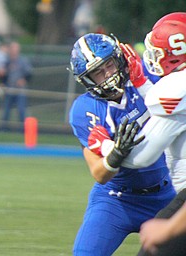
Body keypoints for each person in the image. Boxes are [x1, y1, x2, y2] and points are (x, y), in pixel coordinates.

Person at [68, 33, 176, 256]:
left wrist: (143, 84)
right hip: (117, 198)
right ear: (87, 80)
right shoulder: (86, 109)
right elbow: (99, 173)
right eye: (98, 72)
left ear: (119, 59)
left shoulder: (146, 77)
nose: (108, 74)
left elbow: (173, 111)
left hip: (167, 193)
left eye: (109, 65)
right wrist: (115, 154)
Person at [114, 12, 186, 256]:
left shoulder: (175, 88)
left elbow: (142, 157)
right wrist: (141, 80)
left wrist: (117, 153)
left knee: (154, 249)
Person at [1, 41, 32, 128]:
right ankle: (4, 128)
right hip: (9, 88)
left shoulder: (23, 60)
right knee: (6, 109)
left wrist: (24, 80)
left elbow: (29, 73)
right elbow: (4, 74)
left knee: (21, 109)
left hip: (20, 89)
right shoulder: (7, 60)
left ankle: (23, 128)